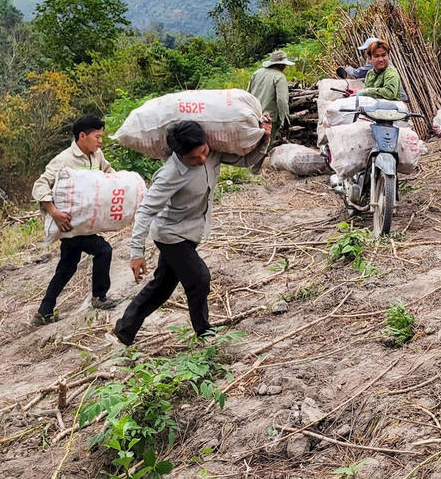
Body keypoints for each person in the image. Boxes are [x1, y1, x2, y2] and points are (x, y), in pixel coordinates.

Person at [113, 116, 271, 345]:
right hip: (170, 234)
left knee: (161, 287)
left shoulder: (212, 153)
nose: (202, 159)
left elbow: (246, 160)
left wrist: (263, 138)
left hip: (192, 231)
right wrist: (136, 253)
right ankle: (204, 333)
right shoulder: (170, 174)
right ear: (179, 154)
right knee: (199, 278)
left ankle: (124, 331)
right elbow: (145, 211)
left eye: (204, 151)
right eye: (194, 158)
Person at [31, 115, 118, 326]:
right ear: (82, 136)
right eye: (97, 137)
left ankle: (44, 312)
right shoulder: (64, 160)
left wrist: (123, 183)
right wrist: (54, 212)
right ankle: (99, 297)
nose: (100, 141)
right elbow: (40, 186)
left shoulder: (96, 155)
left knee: (67, 267)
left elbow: (108, 172)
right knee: (103, 250)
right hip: (71, 225)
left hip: (85, 223)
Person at [248, 49, 294, 140]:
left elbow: (248, 94)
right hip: (269, 118)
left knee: (255, 144)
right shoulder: (279, 77)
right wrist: (285, 118)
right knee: (266, 145)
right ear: (281, 64)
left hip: (254, 115)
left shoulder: (257, 73)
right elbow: (282, 100)